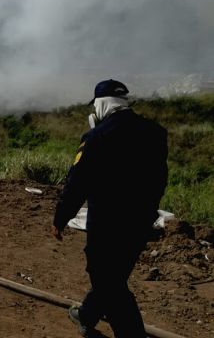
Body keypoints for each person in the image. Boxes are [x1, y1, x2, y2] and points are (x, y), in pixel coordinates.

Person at [51, 79, 168, 337]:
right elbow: (160, 180)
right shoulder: (155, 132)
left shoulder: (97, 137)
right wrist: (148, 211)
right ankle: (86, 314)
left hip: (105, 225)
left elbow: (76, 184)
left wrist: (61, 218)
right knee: (113, 276)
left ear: (100, 105)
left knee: (106, 279)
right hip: (139, 223)